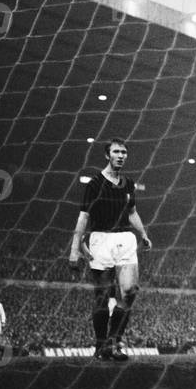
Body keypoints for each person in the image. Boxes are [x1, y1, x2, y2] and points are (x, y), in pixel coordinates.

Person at [68, 138, 152, 362]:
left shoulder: (128, 183)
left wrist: (143, 234)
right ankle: (100, 345)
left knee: (130, 291)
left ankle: (115, 341)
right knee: (102, 297)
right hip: (101, 240)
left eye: (124, 152)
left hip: (125, 239)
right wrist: (74, 251)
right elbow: (83, 216)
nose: (121, 155)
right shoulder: (94, 184)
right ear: (108, 155)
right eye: (116, 151)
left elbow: (132, 212)